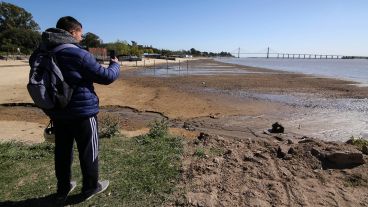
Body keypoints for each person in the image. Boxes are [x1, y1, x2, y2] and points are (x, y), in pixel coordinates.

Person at [29, 16, 120, 203]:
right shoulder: (77, 53)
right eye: (80, 33)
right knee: (89, 150)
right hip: (82, 112)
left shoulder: (41, 52)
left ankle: (63, 187)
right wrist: (115, 64)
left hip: (57, 111)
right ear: (72, 32)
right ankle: (90, 187)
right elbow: (106, 77)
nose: (81, 37)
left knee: (62, 151)